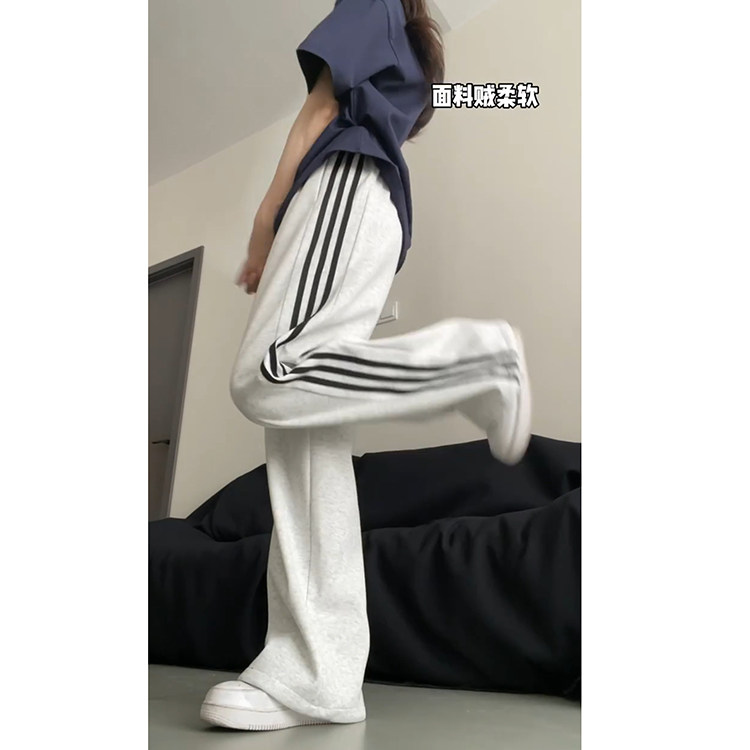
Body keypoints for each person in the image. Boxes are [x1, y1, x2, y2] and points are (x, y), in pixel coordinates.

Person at [200, 0, 532, 731]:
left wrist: (265, 218)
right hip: (370, 206)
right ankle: (320, 674)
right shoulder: (410, 48)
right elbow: (446, 100)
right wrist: (517, 92)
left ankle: (473, 364)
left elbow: (321, 108)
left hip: (344, 188)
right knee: (305, 440)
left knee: (269, 372)